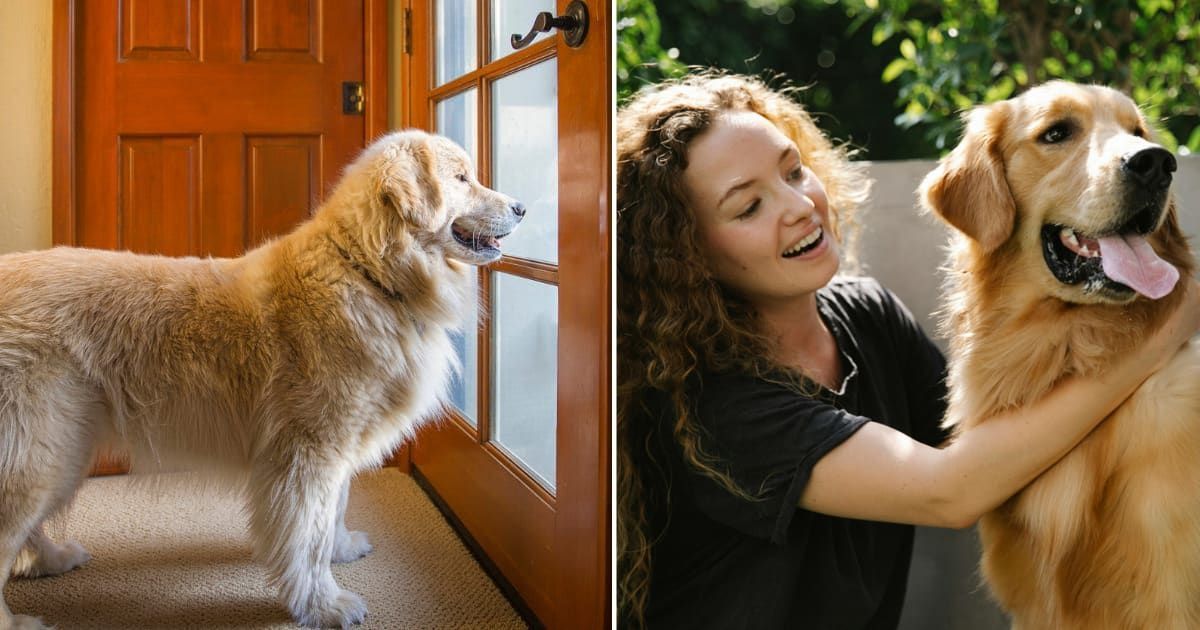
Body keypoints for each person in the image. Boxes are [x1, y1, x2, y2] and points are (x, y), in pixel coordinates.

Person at [615, 71, 1200, 629]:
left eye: (793, 173)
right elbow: (953, 487)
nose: (798, 207)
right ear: (687, 256)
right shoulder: (712, 403)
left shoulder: (868, 316)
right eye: (748, 207)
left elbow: (999, 443)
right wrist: (1163, 335)